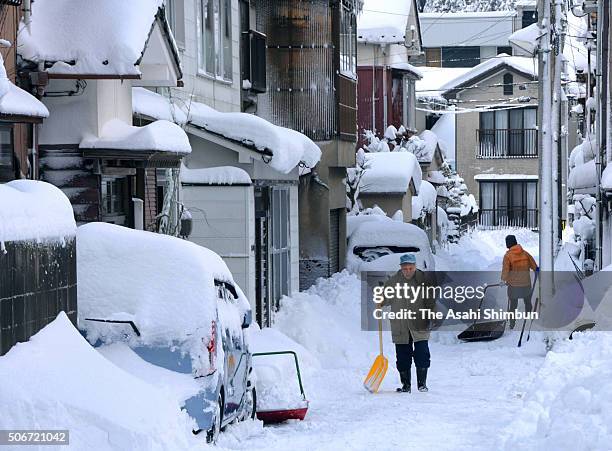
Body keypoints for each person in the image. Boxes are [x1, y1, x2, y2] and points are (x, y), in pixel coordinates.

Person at [381, 253, 436, 393]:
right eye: (405, 268)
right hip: (400, 325)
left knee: (422, 354)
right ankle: (406, 385)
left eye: (410, 268)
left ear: (415, 266)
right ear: (400, 267)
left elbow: (430, 301)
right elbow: (384, 298)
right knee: (402, 357)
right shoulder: (393, 281)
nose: (408, 271)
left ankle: (422, 384)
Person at [501, 234, 538, 329]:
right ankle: (530, 321)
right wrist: (537, 270)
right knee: (528, 302)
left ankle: (512, 324)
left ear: (507, 244)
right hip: (526, 284)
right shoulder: (525, 253)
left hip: (514, 286)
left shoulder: (508, 256)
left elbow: (506, 270)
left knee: (513, 305)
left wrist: (503, 280)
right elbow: (534, 266)